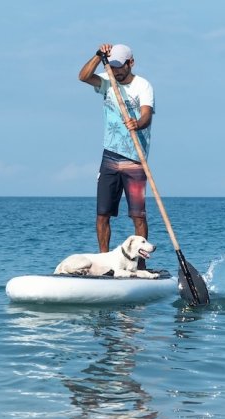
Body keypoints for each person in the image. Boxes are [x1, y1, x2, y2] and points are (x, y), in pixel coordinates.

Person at [78, 43, 155, 267]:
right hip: (110, 157)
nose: (116, 71)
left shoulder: (143, 86)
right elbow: (83, 76)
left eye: (120, 67)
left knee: (137, 216)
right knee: (103, 214)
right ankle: (104, 262)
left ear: (131, 63)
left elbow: (147, 115)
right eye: (112, 66)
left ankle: (140, 265)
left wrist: (137, 123)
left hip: (134, 160)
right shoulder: (106, 81)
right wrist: (98, 55)